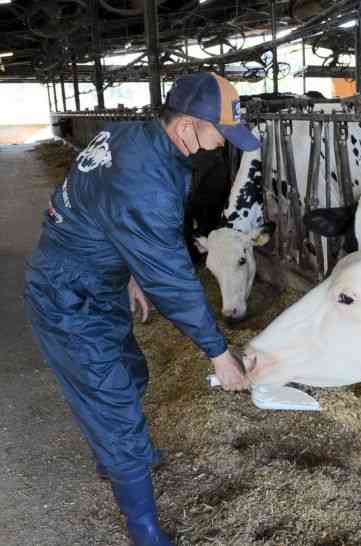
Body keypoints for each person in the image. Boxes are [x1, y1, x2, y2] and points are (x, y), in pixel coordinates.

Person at [24, 72, 258, 546]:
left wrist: (131, 265)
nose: (220, 146)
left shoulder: (131, 134)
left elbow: (102, 202)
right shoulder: (145, 177)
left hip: (97, 277)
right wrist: (217, 353)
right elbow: (171, 278)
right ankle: (144, 528)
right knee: (111, 399)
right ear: (189, 126)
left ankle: (119, 454)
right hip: (67, 291)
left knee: (131, 374)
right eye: (220, 134)